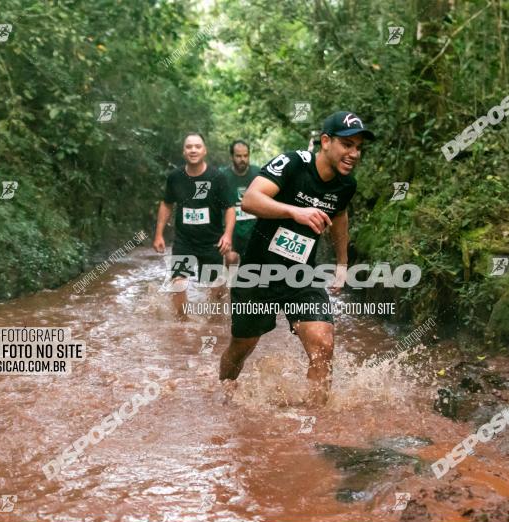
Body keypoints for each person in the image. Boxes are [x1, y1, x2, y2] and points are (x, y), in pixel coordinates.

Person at [219, 111, 375, 406]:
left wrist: (342, 264)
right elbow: (251, 200)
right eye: (347, 144)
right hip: (258, 273)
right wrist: (294, 211)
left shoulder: (346, 185)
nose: (354, 154)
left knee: (323, 345)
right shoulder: (293, 164)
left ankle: (313, 427)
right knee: (242, 347)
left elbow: (339, 216)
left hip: (301, 276)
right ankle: (225, 393)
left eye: (358, 147)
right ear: (326, 141)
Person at [153, 132, 234, 317]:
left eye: (197, 146)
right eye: (189, 147)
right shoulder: (175, 177)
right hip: (184, 240)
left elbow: (229, 208)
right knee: (178, 281)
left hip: (211, 241)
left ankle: (214, 322)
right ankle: (182, 323)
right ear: (183, 152)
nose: (193, 150)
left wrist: (227, 235)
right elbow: (167, 203)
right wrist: (158, 234)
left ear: (204, 150)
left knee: (216, 291)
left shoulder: (217, 177)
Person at [221, 140, 261, 264]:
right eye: (238, 156)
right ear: (232, 156)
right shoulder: (222, 176)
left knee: (251, 264)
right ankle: (230, 282)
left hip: (253, 227)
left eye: (245, 155)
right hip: (232, 228)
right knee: (231, 259)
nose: (242, 159)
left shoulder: (258, 174)